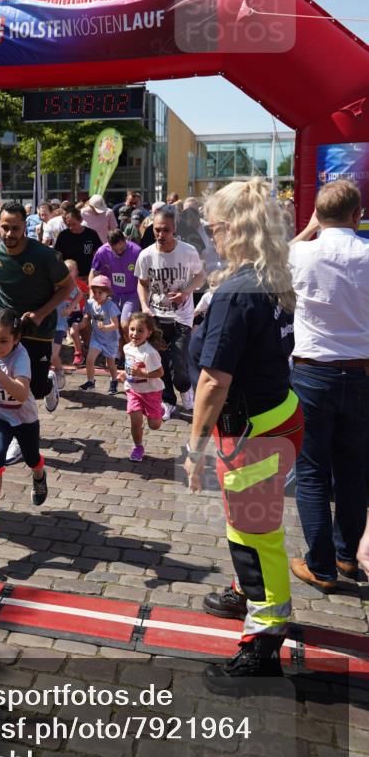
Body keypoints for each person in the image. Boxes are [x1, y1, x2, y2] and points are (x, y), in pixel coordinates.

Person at [185, 178, 304, 692]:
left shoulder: (237, 292)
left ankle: (263, 643)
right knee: (253, 527)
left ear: (234, 228)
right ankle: (246, 592)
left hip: (254, 432)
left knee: (255, 538)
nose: (210, 236)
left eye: (212, 228)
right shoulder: (269, 275)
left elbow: (213, 382)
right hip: (278, 415)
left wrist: (193, 449)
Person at [288, 179, 369, 590]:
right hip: (361, 372)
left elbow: (273, 265)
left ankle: (321, 567)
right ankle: (346, 557)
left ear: (319, 216)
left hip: (313, 372)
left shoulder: (301, 252)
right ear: (358, 215)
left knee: (313, 471)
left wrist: (308, 229)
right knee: (354, 471)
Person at [0, 202, 74, 463]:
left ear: (25, 226)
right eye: (5, 227)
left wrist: (41, 313)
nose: (9, 234)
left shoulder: (44, 256)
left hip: (38, 328)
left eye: (15, 228)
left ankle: (49, 382)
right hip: (7, 329)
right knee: (12, 385)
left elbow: (67, 287)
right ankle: (17, 438)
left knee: (35, 388)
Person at [0, 308, 48, 535]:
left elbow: (22, 394)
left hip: (24, 419)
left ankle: (39, 476)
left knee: (32, 458)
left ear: (16, 339)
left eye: (3, 341)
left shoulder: (21, 358)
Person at [135, 205, 205, 418]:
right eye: (157, 229)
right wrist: (145, 306)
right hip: (156, 316)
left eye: (166, 230)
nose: (161, 234)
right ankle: (168, 401)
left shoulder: (188, 251)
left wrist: (185, 292)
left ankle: (185, 388)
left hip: (182, 316)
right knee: (160, 361)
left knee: (178, 362)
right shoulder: (146, 255)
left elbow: (200, 276)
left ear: (174, 229)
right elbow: (142, 283)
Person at [118, 312, 165, 462]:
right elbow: (130, 366)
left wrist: (141, 373)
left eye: (140, 331)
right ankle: (138, 447)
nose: (135, 334)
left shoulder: (150, 353)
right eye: (132, 329)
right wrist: (125, 375)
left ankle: (160, 409)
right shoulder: (127, 347)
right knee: (136, 421)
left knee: (154, 425)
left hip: (151, 391)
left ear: (148, 333)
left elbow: (160, 373)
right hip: (133, 390)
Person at [89, 228, 141, 359]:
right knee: (113, 326)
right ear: (109, 244)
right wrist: (92, 294)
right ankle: (120, 353)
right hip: (111, 295)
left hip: (131, 294)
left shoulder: (136, 251)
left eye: (122, 249)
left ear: (125, 240)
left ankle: (133, 354)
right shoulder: (102, 252)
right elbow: (94, 272)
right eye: (115, 250)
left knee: (125, 324)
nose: (119, 252)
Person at [79, 275, 120, 393]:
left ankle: (114, 380)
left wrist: (105, 327)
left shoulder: (110, 306)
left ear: (108, 293)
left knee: (110, 364)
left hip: (110, 340)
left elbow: (115, 325)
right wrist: (82, 323)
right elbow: (87, 315)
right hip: (96, 338)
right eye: (94, 292)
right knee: (90, 359)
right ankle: (90, 381)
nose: (96, 295)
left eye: (100, 292)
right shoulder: (90, 303)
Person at [51, 266, 83, 389]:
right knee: (45, 355)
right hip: (45, 324)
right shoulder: (46, 282)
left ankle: (59, 370)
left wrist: (70, 307)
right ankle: (48, 378)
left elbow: (79, 293)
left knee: (53, 355)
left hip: (59, 325)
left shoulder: (65, 284)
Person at [54, 206, 102, 280]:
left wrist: (96, 270)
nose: (71, 227)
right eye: (68, 225)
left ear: (80, 220)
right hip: (69, 276)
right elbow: (57, 255)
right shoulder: (63, 236)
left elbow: (98, 252)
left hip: (87, 275)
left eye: (73, 224)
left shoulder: (91, 234)